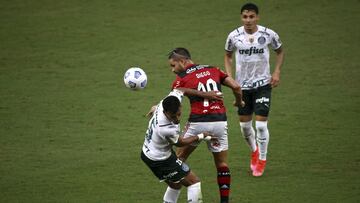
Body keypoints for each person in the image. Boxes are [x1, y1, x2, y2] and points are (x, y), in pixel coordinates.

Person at [168, 47, 244, 203]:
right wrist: (238, 101)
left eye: (173, 65)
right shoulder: (213, 69)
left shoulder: (181, 79)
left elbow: (172, 103)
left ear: (182, 61)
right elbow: (236, 87)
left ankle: (174, 195)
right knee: (222, 163)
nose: (172, 70)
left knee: (178, 159)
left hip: (198, 122)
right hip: (219, 122)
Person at [224, 3, 285, 177]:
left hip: (263, 85)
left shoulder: (268, 34)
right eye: (245, 17)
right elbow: (227, 55)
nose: (248, 20)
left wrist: (277, 71)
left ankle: (262, 160)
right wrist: (229, 77)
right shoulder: (234, 36)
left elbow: (279, 51)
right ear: (241, 18)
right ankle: (254, 151)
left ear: (257, 17)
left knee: (260, 125)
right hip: (242, 87)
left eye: (251, 17)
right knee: (244, 127)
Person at [141, 90, 218, 203]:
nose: (177, 119)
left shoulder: (168, 101)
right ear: (165, 112)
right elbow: (180, 143)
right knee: (194, 183)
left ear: (180, 106)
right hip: (160, 160)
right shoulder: (165, 128)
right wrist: (201, 136)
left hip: (149, 152)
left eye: (179, 114)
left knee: (175, 185)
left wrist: (205, 94)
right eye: (173, 116)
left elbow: (181, 89)